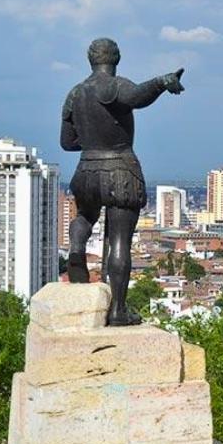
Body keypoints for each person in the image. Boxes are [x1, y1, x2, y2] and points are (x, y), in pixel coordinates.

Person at [61, 38, 185, 325]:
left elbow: (67, 142)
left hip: (86, 170)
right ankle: (118, 310)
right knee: (120, 241)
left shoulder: (75, 94)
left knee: (84, 215)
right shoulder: (114, 86)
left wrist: (93, 140)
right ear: (116, 58)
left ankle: (77, 247)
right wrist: (162, 81)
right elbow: (137, 97)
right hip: (120, 170)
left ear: (89, 59)